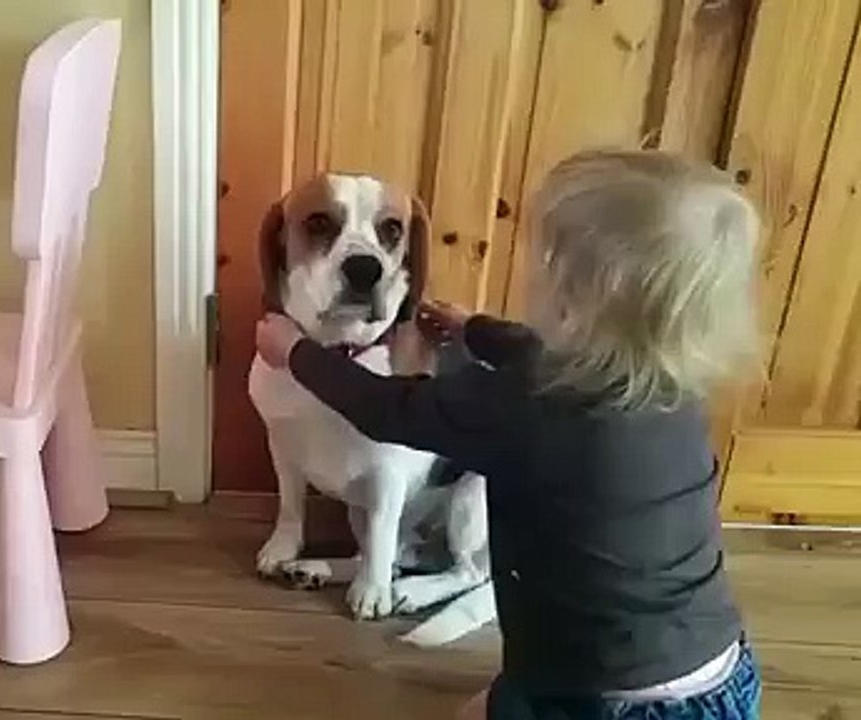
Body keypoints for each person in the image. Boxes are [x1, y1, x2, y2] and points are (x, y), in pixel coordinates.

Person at [254, 149, 764, 719]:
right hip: (722, 673)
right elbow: (540, 354)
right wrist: (477, 330)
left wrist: (295, 354)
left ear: (574, 294)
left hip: (606, 695)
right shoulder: (669, 388)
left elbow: (388, 409)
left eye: (547, 262)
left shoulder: (526, 405)